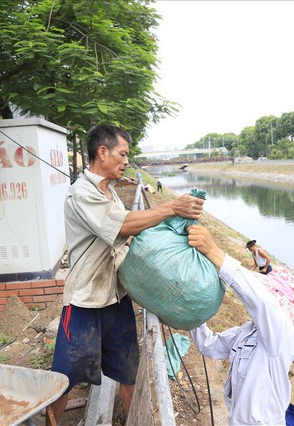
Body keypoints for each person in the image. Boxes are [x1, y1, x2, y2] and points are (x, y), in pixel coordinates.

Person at [46, 124, 206, 425]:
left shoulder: (109, 192)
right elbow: (122, 227)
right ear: (102, 152)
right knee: (65, 376)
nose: (126, 161)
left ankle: (135, 420)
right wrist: (172, 207)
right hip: (85, 300)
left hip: (115, 297)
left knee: (128, 370)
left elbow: (129, 232)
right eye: (122, 154)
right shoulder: (81, 193)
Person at [187, 224, 294, 425]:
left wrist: (214, 252)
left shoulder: (281, 334)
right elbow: (209, 346)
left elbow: (262, 302)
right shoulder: (248, 332)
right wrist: (189, 313)